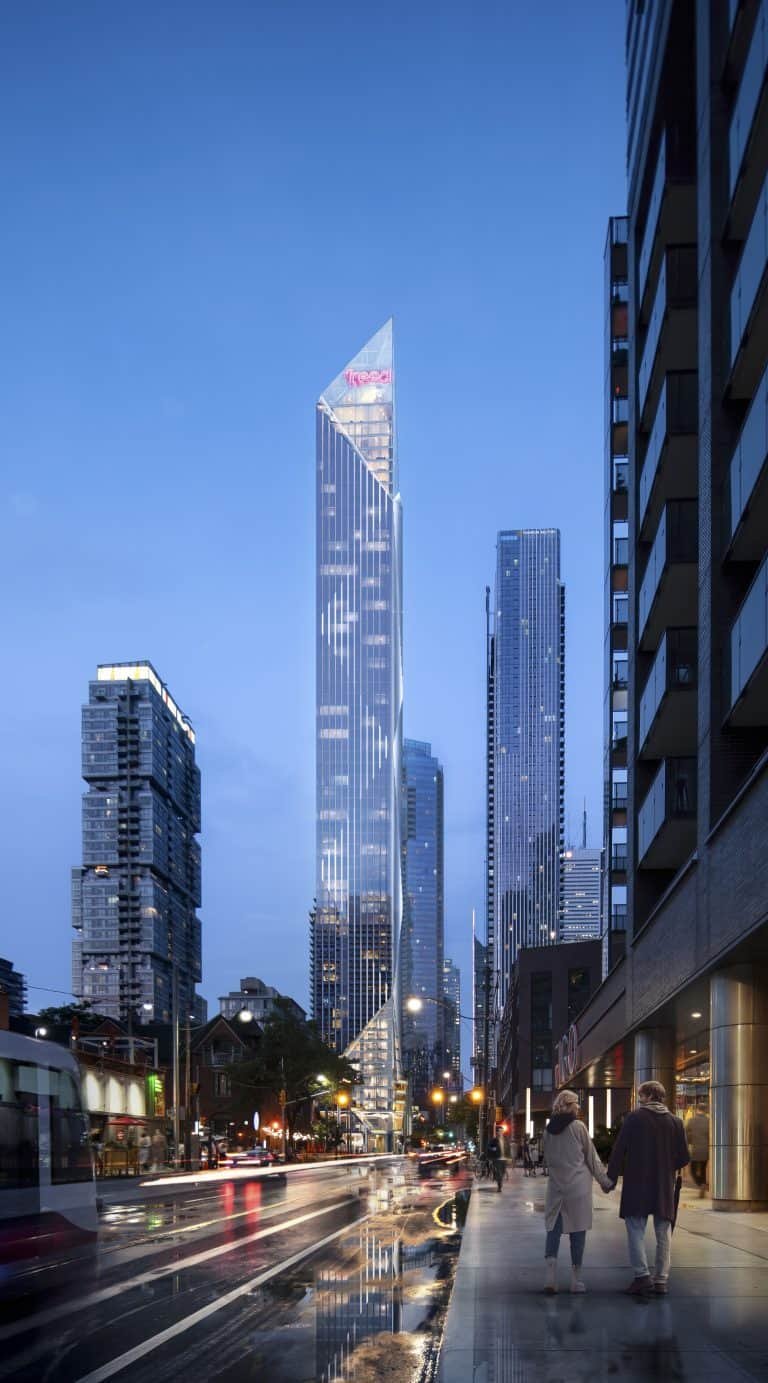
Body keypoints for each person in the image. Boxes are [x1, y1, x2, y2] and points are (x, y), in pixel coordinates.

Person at [605, 1079, 690, 1296]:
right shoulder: (675, 1122)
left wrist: (610, 1179)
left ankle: (642, 1277)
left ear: (650, 1096)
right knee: (664, 1233)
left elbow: (619, 1150)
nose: (639, 1100)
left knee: (636, 1230)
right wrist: (666, 1167)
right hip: (663, 1185)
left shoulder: (634, 1118)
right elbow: (683, 1158)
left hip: (637, 1184)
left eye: (641, 1095)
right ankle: (661, 1280)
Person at [543, 1089, 613, 1295]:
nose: (578, 1108)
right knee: (578, 1231)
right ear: (568, 1104)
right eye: (576, 1104)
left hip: (556, 1186)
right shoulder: (578, 1127)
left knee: (553, 1229)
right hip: (578, 1186)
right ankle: (576, 1281)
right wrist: (605, 1182)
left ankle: (550, 1278)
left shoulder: (548, 1130)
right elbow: (592, 1158)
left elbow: (548, 1160)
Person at [687, 1107, 709, 1198]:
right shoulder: (708, 1121)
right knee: (703, 1169)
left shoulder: (691, 1121)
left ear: (697, 1110)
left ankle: (700, 1183)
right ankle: (703, 1183)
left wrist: (689, 1142)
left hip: (695, 1150)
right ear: (704, 1111)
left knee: (692, 1169)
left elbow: (686, 1134)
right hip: (706, 1150)